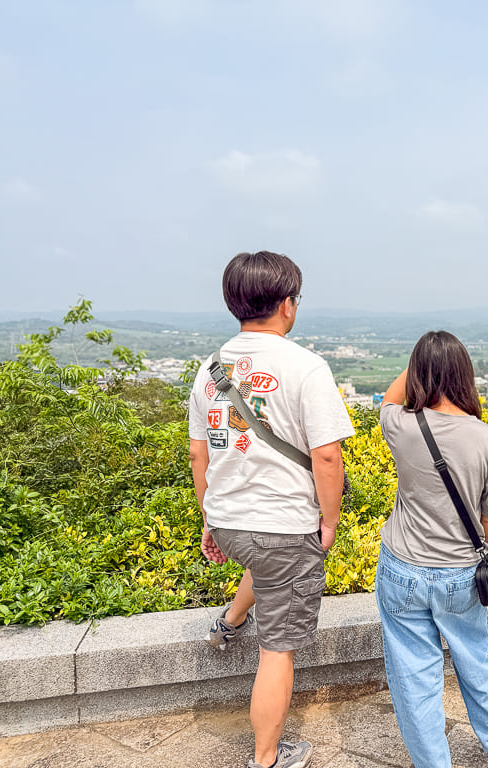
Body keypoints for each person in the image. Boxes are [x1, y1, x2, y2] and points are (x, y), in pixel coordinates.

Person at [189, 251, 355, 768]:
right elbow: (327, 456)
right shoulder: (305, 366)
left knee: (269, 562)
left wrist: (210, 518)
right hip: (283, 525)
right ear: (287, 304)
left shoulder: (210, 368)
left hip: (229, 521)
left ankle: (229, 622)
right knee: (277, 649)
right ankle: (267, 758)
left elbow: (199, 453)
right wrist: (329, 520)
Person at [376, 330, 488, 768]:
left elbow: (388, 399)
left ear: (419, 374)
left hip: (402, 568)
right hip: (461, 573)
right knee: (476, 659)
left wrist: (418, 364)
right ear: (465, 374)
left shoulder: (402, 426)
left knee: (414, 678)